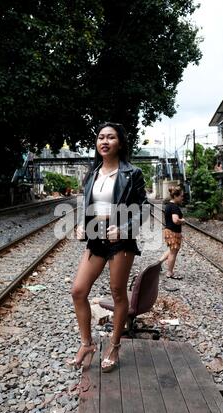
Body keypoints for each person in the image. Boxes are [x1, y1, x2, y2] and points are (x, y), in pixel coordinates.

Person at [67, 122, 149, 372]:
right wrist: (82, 224)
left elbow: (144, 208)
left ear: (120, 143)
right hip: (96, 238)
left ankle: (114, 345)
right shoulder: (92, 174)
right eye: (101, 137)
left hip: (120, 241)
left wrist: (125, 229)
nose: (104, 141)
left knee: (117, 292)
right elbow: (88, 205)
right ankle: (87, 344)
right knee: (78, 291)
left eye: (111, 137)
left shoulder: (132, 173)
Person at [159, 186, 185, 279]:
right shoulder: (174, 207)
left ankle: (158, 264)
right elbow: (175, 220)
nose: (182, 198)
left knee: (171, 250)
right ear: (176, 196)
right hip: (173, 232)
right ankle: (169, 272)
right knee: (173, 253)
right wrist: (182, 220)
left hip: (169, 231)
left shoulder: (169, 205)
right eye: (181, 196)